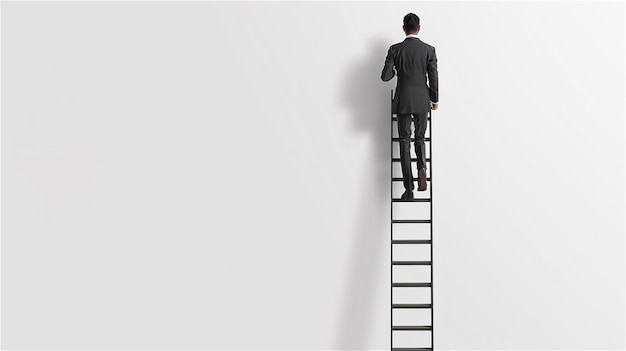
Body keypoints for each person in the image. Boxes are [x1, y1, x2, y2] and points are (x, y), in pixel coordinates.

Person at [381, 12, 438, 200]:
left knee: (404, 143)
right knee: (420, 139)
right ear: (419, 28)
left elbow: (385, 76)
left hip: (403, 100)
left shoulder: (395, 50)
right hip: (422, 100)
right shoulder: (429, 50)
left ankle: (409, 189)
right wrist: (434, 99)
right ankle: (422, 168)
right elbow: (433, 77)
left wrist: (396, 68)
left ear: (403, 28)